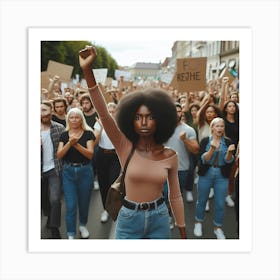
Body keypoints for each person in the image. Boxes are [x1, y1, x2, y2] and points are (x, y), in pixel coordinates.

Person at [79, 46, 186, 239]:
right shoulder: (123, 145)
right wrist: (87, 71)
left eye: (150, 117)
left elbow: (175, 195)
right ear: (130, 119)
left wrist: (182, 228)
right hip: (128, 218)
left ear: (160, 120)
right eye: (138, 117)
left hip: (160, 217)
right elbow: (103, 114)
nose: (144, 122)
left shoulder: (170, 156)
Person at [57, 107, 95, 239]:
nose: (74, 120)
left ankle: (83, 225)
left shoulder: (88, 133)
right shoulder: (64, 134)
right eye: (71, 117)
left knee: (84, 203)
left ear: (81, 119)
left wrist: (76, 144)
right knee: (71, 205)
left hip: (85, 171)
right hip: (68, 172)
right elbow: (60, 155)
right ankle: (71, 233)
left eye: (77, 117)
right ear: (68, 119)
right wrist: (69, 143)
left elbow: (90, 154)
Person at [194, 117, 235, 239]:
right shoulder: (206, 141)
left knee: (220, 203)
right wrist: (212, 149)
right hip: (206, 173)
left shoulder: (228, 142)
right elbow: (203, 160)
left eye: (222, 126)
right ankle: (198, 222)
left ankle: (217, 228)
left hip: (221, 175)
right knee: (201, 200)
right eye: (217, 126)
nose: (220, 128)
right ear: (212, 128)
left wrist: (229, 153)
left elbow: (228, 161)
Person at [41, 101, 65, 239]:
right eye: (39, 110)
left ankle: (54, 227)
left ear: (51, 112)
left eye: (44, 110)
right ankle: (48, 216)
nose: (42, 113)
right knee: (42, 199)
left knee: (55, 199)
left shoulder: (59, 128)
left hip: (54, 169)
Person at [94, 102, 121, 223]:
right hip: (101, 155)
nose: (110, 113)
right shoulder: (99, 122)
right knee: (103, 183)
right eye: (108, 111)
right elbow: (94, 141)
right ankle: (106, 209)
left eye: (112, 111)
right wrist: (101, 127)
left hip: (115, 156)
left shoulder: (120, 123)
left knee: (113, 184)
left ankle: (115, 209)